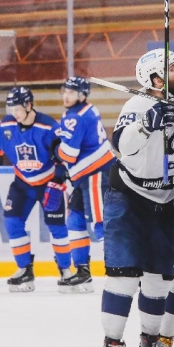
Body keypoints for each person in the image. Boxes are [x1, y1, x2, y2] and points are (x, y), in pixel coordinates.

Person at [98, 48, 174, 347]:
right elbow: (122, 143)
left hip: (163, 200)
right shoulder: (138, 105)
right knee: (124, 273)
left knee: (160, 277)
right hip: (128, 198)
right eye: (173, 67)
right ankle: (111, 346)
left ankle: (150, 341)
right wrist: (147, 125)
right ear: (155, 80)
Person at [0, 87, 72, 293]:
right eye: (11, 108)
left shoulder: (48, 127)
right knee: (12, 223)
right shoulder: (7, 124)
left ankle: (66, 271)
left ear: (29, 105)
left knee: (57, 227)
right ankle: (25, 270)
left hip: (48, 183)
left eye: (17, 108)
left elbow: (62, 156)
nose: (14, 113)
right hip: (22, 184)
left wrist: (58, 181)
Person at [51, 76, 116, 293]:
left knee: (102, 225)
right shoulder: (86, 110)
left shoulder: (75, 117)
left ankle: (122, 270)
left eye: (71, 92)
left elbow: (68, 155)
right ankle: (83, 272)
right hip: (85, 178)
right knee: (75, 222)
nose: (65, 95)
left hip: (97, 176)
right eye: (64, 91)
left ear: (82, 95)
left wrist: (55, 149)